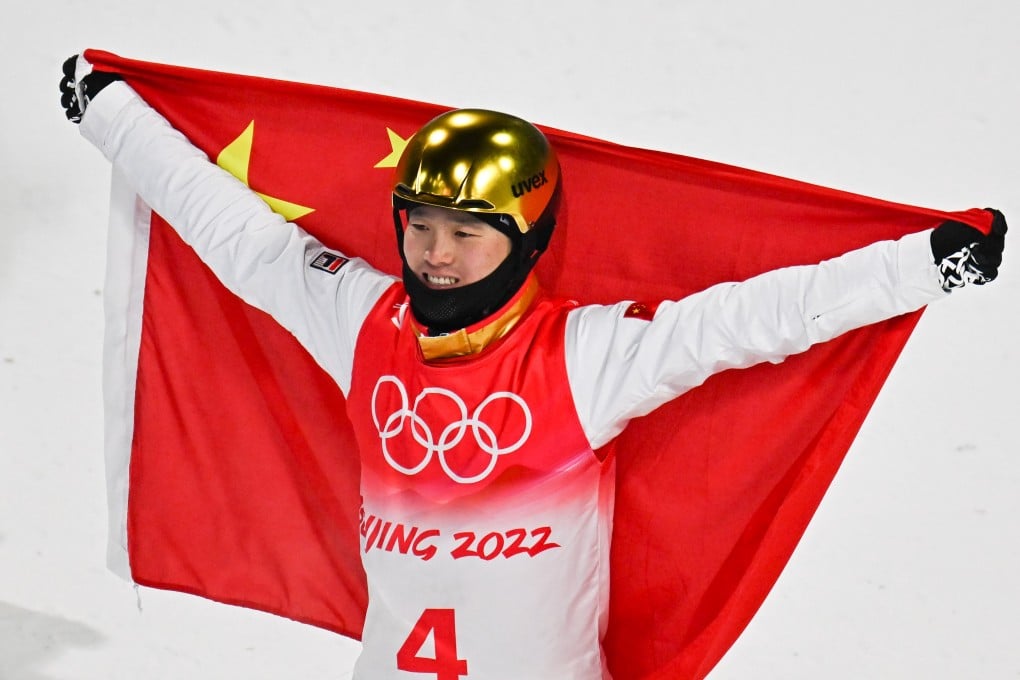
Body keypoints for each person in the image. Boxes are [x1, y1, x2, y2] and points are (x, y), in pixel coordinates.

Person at [60, 54, 1006, 679]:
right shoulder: (361, 319)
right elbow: (242, 239)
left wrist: (920, 266)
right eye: (419, 227)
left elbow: (748, 320)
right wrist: (111, 116)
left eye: (466, 233)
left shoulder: (585, 357)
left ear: (527, 239)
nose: (434, 255)